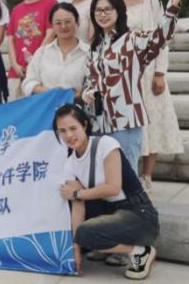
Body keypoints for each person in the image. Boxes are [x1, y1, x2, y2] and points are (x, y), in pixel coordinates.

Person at [83, 0, 186, 177]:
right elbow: (90, 80)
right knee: (104, 175)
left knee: (126, 175)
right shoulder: (95, 47)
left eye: (107, 9)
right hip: (99, 120)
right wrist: (88, 93)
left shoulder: (132, 40)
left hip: (126, 120)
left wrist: (172, 7)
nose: (102, 14)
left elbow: (161, 35)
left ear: (119, 12)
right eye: (98, 10)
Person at [55, 104, 159, 280]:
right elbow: (78, 207)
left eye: (73, 128)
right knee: (77, 225)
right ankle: (103, 246)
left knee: (85, 233)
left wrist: (76, 194)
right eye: (62, 131)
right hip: (112, 212)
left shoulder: (105, 144)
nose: (69, 135)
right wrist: (76, 253)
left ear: (85, 125)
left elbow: (113, 188)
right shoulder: (70, 163)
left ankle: (140, 252)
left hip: (139, 215)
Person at [116, 0, 183, 192]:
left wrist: (160, 72)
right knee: (127, 125)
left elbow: (162, 37)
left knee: (151, 123)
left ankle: (147, 176)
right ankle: (128, 176)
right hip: (122, 73)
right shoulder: (112, 2)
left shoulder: (152, 2)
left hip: (148, 70)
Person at [6, 0, 57, 100]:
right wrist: (14, 64)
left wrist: (34, 62)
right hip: (17, 72)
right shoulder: (17, 9)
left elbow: (51, 33)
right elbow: (11, 39)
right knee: (15, 110)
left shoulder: (51, 3)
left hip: (41, 70)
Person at [22, 3, 88, 101]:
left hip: (77, 107)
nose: (63, 26)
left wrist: (80, 94)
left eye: (68, 21)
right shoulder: (42, 52)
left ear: (77, 22)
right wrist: (51, 93)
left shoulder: (89, 53)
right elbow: (28, 83)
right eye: (58, 23)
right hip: (46, 106)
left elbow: (94, 87)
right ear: (52, 25)